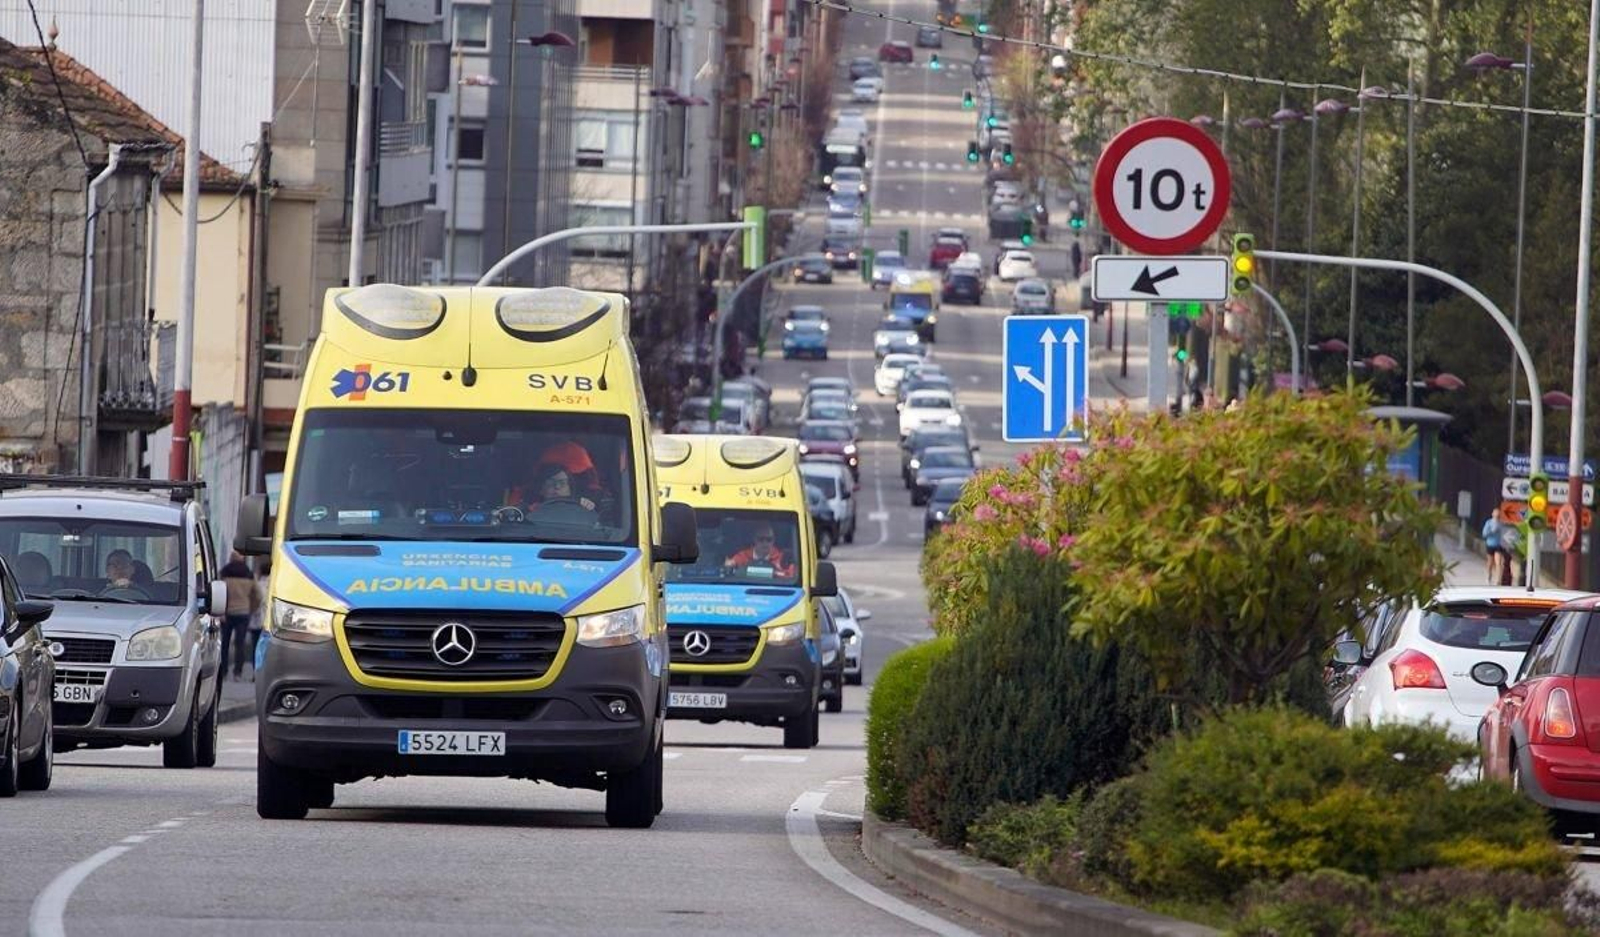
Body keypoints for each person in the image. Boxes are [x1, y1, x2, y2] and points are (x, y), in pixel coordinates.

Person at [219, 551, 259, 680]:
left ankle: (224, 671)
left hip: (226, 613)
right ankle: (238, 673)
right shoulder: (249, 575)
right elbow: (258, 595)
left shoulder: (224, 574)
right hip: (243, 613)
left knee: (224, 643)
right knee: (240, 644)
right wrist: (251, 608)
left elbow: (218, 592)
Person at [723, 523, 796, 579]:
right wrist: (729, 564)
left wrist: (777, 573)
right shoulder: (743, 555)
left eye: (769, 539)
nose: (765, 543)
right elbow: (731, 564)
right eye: (761, 539)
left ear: (773, 541)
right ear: (754, 540)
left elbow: (791, 575)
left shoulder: (782, 558)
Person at [247, 560, 271, 680]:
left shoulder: (258, 584)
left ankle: (256, 672)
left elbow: (255, 599)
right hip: (270, 623)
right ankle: (265, 673)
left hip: (257, 621)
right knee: (267, 649)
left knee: (256, 648)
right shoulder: (276, 584)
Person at [1482, 513, 1506, 584]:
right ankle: (1489, 577)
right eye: (1496, 515)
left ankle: (1498, 580)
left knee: (1498, 562)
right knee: (1490, 562)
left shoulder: (1502, 523)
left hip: (1499, 545)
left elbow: (1505, 533)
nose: (1497, 516)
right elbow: (1484, 534)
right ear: (1492, 515)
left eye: (1498, 515)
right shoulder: (1489, 522)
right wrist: (1492, 531)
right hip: (1490, 544)